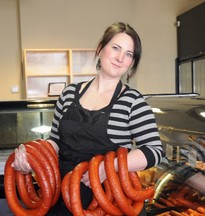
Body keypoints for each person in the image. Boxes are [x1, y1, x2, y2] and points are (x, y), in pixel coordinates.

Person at [12, 22, 163, 215]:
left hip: (106, 201)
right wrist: (33, 159)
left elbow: (154, 151)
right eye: (115, 48)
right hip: (60, 195)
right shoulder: (69, 93)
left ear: (131, 63)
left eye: (128, 54)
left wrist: (107, 169)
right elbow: (55, 140)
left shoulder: (132, 101)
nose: (120, 58)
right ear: (101, 49)